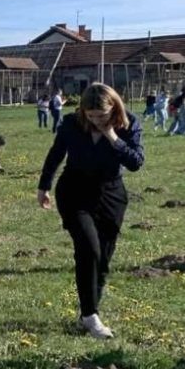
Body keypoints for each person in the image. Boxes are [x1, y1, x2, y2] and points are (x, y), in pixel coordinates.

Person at [37, 83, 144, 339]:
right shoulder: (73, 124)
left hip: (111, 194)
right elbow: (55, 154)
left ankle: (89, 312)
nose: (96, 120)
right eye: (91, 115)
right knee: (88, 248)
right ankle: (90, 316)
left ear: (114, 108)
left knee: (103, 258)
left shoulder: (130, 123)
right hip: (74, 191)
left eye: (102, 116)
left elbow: (136, 163)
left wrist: (113, 137)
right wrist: (44, 186)